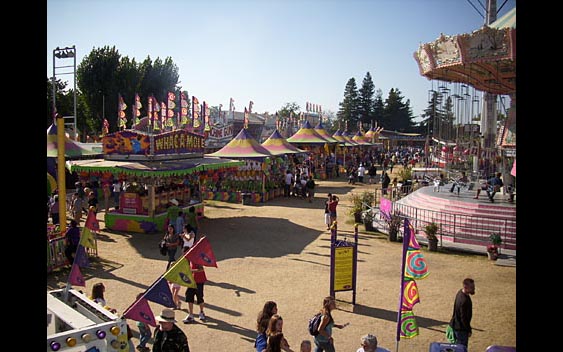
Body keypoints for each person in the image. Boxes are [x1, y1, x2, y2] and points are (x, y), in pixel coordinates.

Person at [448, 278, 475, 349]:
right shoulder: (464, 300)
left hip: (456, 326)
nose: (473, 289)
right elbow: (463, 318)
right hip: (461, 330)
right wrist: (468, 330)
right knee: (461, 349)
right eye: (471, 287)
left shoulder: (460, 292)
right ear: (466, 287)